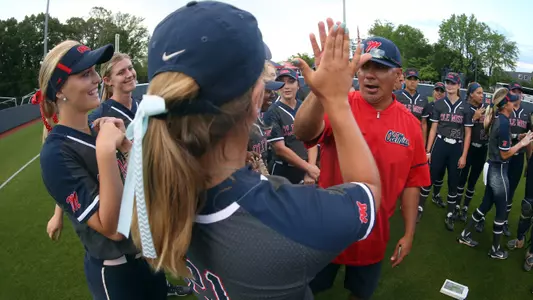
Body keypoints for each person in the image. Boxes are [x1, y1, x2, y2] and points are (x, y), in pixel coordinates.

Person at [116, 2, 381, 299]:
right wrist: (335, 99)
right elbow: (368, 190)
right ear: (256, 98)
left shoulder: (161, 185)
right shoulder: (285, 220)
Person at [294, 25, 430, 300]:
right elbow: (303, 133)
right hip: (327, 228)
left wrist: (409, 234)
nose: (369, 74)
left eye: (379, 67)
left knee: (360, 294)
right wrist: (321, 91)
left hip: (373, 235)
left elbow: (413, 183)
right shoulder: (340, 103)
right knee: (305, 291)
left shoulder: (411, 126)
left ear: (398, 75)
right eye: (364, 66)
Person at [45, 52, 193, 297]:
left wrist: (126, 148)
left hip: (147, 254)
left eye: (94, 71)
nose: (95, 80)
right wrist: (106, 151)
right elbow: (113, 229)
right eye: (85, 74)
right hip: (117, 272)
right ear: (59, 90)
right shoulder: (56, 152)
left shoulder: (101, 126)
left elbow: (138, 180)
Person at [457, 88, 533, 260]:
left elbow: (502, 138)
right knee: (500, 210)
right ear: (505, 105)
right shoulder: (504, 122)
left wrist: (518, 136)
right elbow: (505, 153)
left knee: (485, 205)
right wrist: (523, 143)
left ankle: (465, 234)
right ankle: (495, 249)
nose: (516, 102)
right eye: (513, 100)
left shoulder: (500, 119)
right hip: (499, 171)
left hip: (493, 168)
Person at [426, 72, 473, 231]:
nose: (449, 85)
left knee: (453, 181)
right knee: (430, 176)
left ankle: (450, 215)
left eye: (453, 83)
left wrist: (464, 155)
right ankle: (418, 208)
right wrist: (428, 150)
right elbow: (433, 129)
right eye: (447, 82)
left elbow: (468, 133)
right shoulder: (439, 104)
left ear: (459, 85)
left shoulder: (466, 107)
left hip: (456, 147)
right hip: (440, 143)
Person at [264, 67, 319, 184]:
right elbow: (279, 149)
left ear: (298, 85)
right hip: (283, 171)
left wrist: (311, 168)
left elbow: (313, 139)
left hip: (307, 168)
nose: (286, 86)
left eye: (291, 81)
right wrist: (309, 168)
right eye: (282, 82)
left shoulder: (304, 106)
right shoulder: (272, 111)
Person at [456, 82, 489, 222]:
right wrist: (474, 118)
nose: (482, 96)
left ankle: (465, 208)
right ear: (471, 94)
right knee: (461, 178)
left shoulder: (487, 109)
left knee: (472, 181)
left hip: (481, 149)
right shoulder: (464, 107)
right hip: (467, 148)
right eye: (479, 93)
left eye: (482, 93)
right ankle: (456, 205)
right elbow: (458, 129)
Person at [503, 82, 532, 236]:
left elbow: (529, 139)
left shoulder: (527, 113)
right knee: (497, 189)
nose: (517, 93)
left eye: (519, 91)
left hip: (518, 157)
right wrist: (516, 137)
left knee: (511, 191)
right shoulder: (504, 110)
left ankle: (504, 221)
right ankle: (482, 218)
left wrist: (529, 160)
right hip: (503, 155)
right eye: (513, 91)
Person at [418, 82, 446, 222]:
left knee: (440, 173)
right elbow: (423, 124)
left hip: (441, 144)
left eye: (442, 91)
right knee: (426, 172)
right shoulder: (428, 106)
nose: (439, 93)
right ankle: (419, 202)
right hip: (429, 142)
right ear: (433, 92)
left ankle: (436, 195)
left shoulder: (447, 107)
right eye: (437, 90)